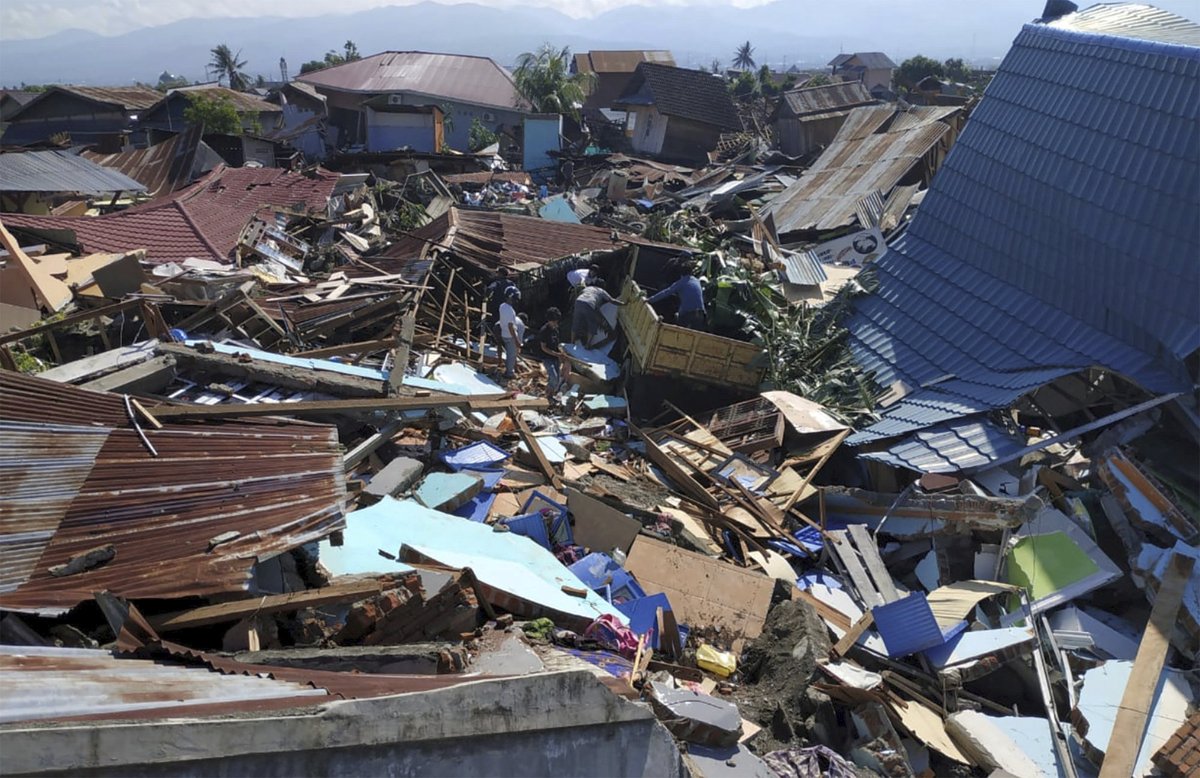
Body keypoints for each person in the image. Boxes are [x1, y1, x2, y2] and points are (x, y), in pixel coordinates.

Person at [647, 257, 707, 331]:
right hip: (701, 313)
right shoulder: (696, 281)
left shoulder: (681, 283)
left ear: (681, 273)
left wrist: (650, 300)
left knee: (678, 331)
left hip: (688, 313)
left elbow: (666, 292)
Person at [572, 279, 625, 347]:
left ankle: (572, 342)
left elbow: (580, 294)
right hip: (590, 304)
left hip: (578, 302)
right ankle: (588, 344)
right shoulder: (601, 291)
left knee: (576, 322)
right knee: (593, 323)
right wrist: (623, 304)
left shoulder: (588, 288)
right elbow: (612, 300)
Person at [536, 307, 570, 398]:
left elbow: (557, 344)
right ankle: (547, 394)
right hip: (547, 357)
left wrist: (562, 353)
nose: (555, 323)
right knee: (554, 378)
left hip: (556, 358)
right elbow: (543, 347)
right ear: (549, 320)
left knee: (557, 379)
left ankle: (549, 396)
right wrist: (556, 354)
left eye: (556, 321)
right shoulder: (544, 331)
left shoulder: (555, 330)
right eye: (554, 321)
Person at [484, 267, 519, 344]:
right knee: (507, 324)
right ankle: (505, 340)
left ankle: (496, 341)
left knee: (496, 324)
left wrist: (487, 297)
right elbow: (516, 293)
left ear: (500, 274)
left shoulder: (497, 283)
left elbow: (489, 289)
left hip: (497, 307)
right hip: (509, 307)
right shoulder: (512, 283)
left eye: (497, 273)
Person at [497, 288, 522, 380]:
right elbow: (510, 326)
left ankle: (508, 370)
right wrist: (516, 340)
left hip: (504, 333)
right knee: (511, 355)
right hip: (510, 335)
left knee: (508, 353)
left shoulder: (502, 306)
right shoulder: (510, 310)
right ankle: (509, 373)